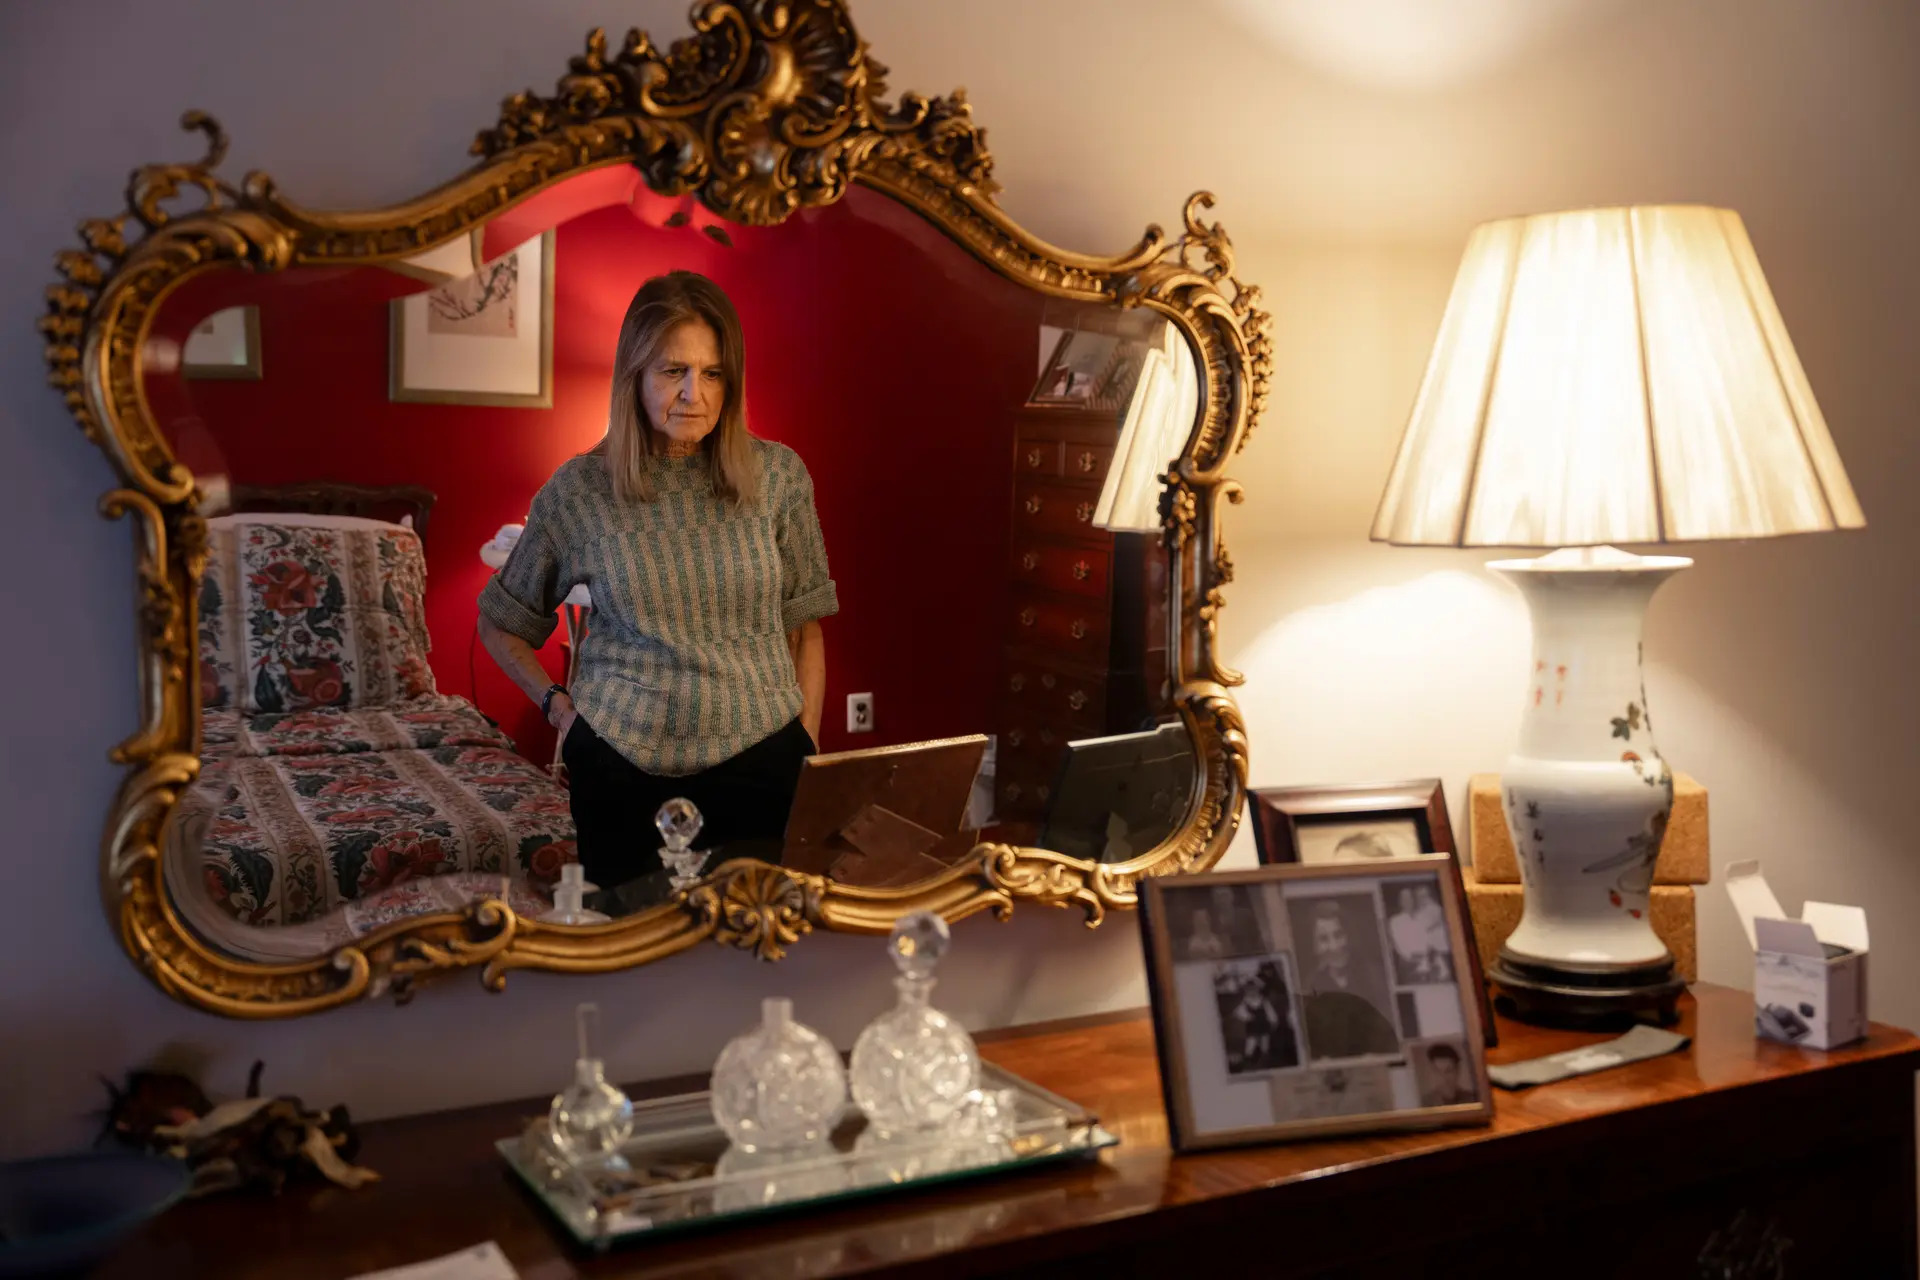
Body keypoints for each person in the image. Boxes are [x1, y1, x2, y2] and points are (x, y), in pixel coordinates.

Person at [478, 271, 837, 888]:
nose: (694, 393)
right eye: (673, 371)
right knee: (633, 963)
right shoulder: (579, 491)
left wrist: (807, 747)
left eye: (713, 372)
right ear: (635, 376)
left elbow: (804, 631)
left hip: (764, 764)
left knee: (759, 950)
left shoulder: (779, 478)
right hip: (622, 770)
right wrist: (558, 709)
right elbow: (501, 623)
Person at [1300, 899, 1401, 1059]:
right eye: (1324, 939)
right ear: (1314, 946)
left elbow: (1392, 1032)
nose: (1334, 946)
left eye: (1338, 935)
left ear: (1348, 935)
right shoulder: (1310, 986)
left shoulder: (1375, 975)